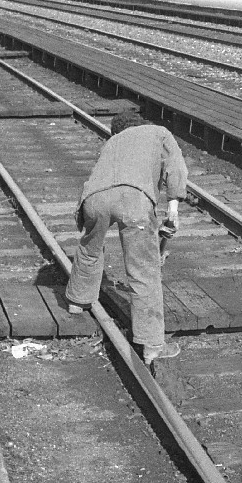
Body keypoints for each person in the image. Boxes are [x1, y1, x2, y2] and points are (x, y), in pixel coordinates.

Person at [65, 112, 188, 364]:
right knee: (143, 270)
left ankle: (77, 301)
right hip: (133, 199)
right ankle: (152, 345)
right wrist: (173, 208)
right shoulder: (158, 132)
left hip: (95, 199)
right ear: (141, 124)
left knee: (90, 248)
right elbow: (175, 169)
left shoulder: (112, 142)